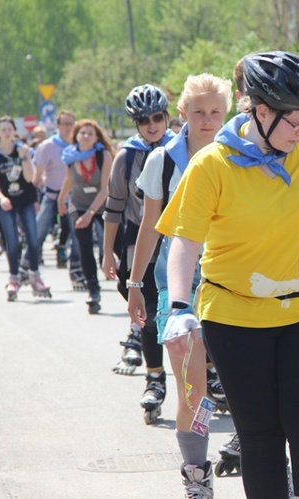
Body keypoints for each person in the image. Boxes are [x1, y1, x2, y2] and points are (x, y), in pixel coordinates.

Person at [156, 51, 299, 499]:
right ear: (261, 112)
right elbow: (185, 241)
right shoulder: (212, 164)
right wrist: (177, 307)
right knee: (260, 434)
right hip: (234, 315)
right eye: (295, 122)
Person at [124, 73, 233, 495]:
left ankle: (259, 449)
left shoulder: (240, 154)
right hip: (177, 284)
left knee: (246, 378)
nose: (207, 121)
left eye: (215, 113)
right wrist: (135, 284)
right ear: (183, 113)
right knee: (191, 383)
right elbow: (150, 227)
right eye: (199, 112)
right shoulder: (163, 160)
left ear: (227, 113)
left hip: (234, 281)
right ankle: (196, 472)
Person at [102, 84, 174, 418]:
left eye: (157, 117)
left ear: (167, 116)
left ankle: (211, 371)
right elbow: (113, 209)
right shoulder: (126, 157)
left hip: (180, 235)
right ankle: (155, 379)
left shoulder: (183, 149)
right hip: (140, 235)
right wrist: (106, 254)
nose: (152, 125)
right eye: (144, 120)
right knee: (144, 308)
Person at [0, 116, 52, 301]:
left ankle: (35, 275)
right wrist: (1, 198)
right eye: (3, 129)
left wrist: (24, 158)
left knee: (32, 238)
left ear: (14, 131)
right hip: (7, 202)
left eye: (9, 129)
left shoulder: (23, 150)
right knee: (12, 241)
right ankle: (14, 277)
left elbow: (30, 178)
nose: (7, 132)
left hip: (25, 200)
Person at [57, 119, 114, 313]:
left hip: (102, 204)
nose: (86, 136)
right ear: (76, 136)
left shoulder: (103, 155)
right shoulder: (70, 156)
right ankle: (93, 291)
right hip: (79, 204)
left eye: (90, 133)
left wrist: (91, 213)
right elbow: (69, 180)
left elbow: (106, 187)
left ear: (97, 137)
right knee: (84, 245)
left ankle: (130, 282)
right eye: (83, 133)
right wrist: (60, 198)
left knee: (117, 243)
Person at [22, 111, 82, 280]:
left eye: (71, 123)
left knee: (77, 234)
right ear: (58, 125)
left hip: (73, 197)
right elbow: (37, 175)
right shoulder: (47, 146)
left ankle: (76, 268)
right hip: (51, 195)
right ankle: (25, 266)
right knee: (38, 231)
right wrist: (36, 197)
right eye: (65, 124)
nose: (69, 127)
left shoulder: (79, 145)